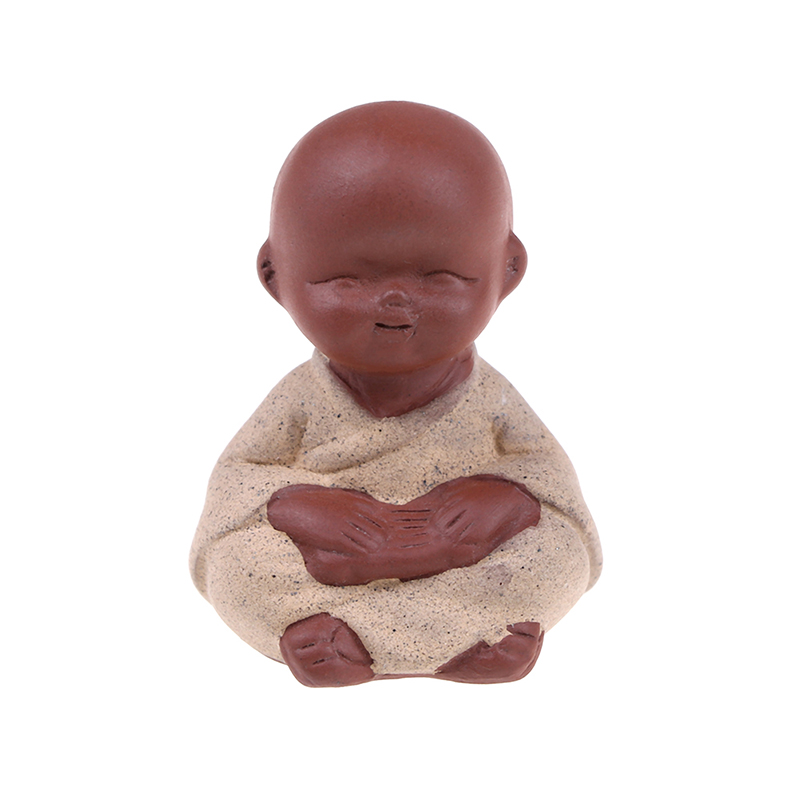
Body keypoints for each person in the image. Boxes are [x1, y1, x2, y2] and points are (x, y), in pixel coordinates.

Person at [190, 101, 602, 686]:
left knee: (557, 553)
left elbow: (552, 481)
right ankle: (410, 634)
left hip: (457, 551)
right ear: (274, 275)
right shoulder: (299, 400)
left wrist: (505, 501)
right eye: (346, 280)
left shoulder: (491, 399)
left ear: (507, 271)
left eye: (440, 278)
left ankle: (362, 639)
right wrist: (299, 508)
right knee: (239, 564)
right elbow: (235, 483)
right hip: (332, 560)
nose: (396, 301)